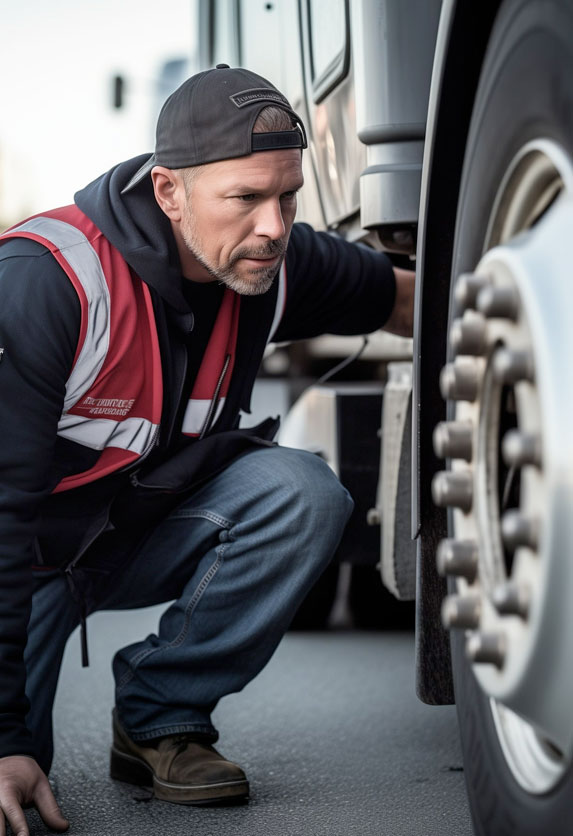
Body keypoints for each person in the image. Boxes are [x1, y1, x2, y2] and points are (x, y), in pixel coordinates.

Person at [0, 65, 415, 833]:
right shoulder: (50, 279)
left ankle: (159, 718)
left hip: (133, 537)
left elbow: (403, 299)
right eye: (246, 199)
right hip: (29, 562)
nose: (273, 225)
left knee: (301, 493)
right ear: (168, 192)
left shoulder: (268, 262)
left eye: (286, 196)